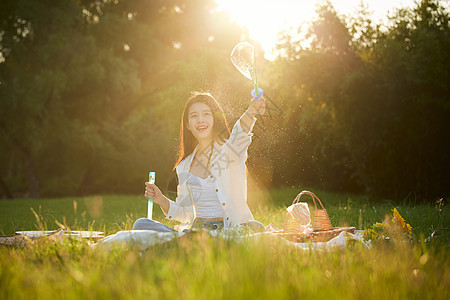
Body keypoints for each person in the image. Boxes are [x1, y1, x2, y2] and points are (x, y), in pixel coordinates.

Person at [133, 91, 265, 233]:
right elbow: (185, 213)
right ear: (188, 125)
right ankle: (192, 242)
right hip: (197, 233)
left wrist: (251, 113)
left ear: (215, 119)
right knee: (141, 224)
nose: (200, 120)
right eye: (194, 116)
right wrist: (161, 200)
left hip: (230, 230)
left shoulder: (229, 152)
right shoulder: (184, 165)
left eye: (206, 114)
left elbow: (239, 135)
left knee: (254, 227)